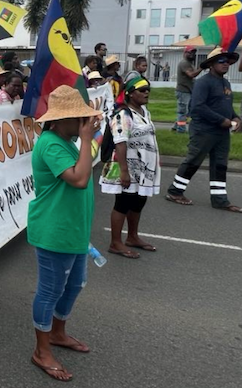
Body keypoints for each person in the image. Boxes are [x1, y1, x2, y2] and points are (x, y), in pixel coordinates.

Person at [27, 85, 101, 382]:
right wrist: (86, 138)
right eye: (78, 118)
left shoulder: (66, 139)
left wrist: (85, 138)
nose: (83, 123)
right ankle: (41, 351)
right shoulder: (51, 143)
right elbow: (79, 179)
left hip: (73, 229)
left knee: (74, 285)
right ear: (58, 121)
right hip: (54, 231)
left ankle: (57, 334)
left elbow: (86, 163)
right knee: (50, 290)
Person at [166, 47, 242, 211]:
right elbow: (197, 107)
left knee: (220, 164)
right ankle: (174, 191)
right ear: (211, 64)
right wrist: (221, 120)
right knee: (193, 161)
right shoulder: (203, 82)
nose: (226, 64)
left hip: (222, 133)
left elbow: (226, 105)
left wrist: (236, 117)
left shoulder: (225, 82)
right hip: (204, 130)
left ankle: (219, 200)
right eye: (221, 61)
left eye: (228, 61)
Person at [100, 77, 160, 259]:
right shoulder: (123, 115)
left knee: (139, 201)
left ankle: (132, 237)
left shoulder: (144, 111)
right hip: (125, 166)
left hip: (144, 167)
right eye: (141, 90)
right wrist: (124, 171)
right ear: (130, 93)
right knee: (123, 202)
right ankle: (115, 242)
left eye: (147, 89)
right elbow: (120, 143)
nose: (146, 92)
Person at [172, 46, 201, 133]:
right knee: (182, 112)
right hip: (183, 91)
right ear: (185, 53)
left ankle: (175, 126)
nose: (192, 54)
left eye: (193, 53)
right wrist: (201, 68)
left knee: (187, 111)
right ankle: (181, 130)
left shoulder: (189, 63)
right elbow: (191, 74)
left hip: (188, 91)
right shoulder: (184, 63)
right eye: (190, 52)